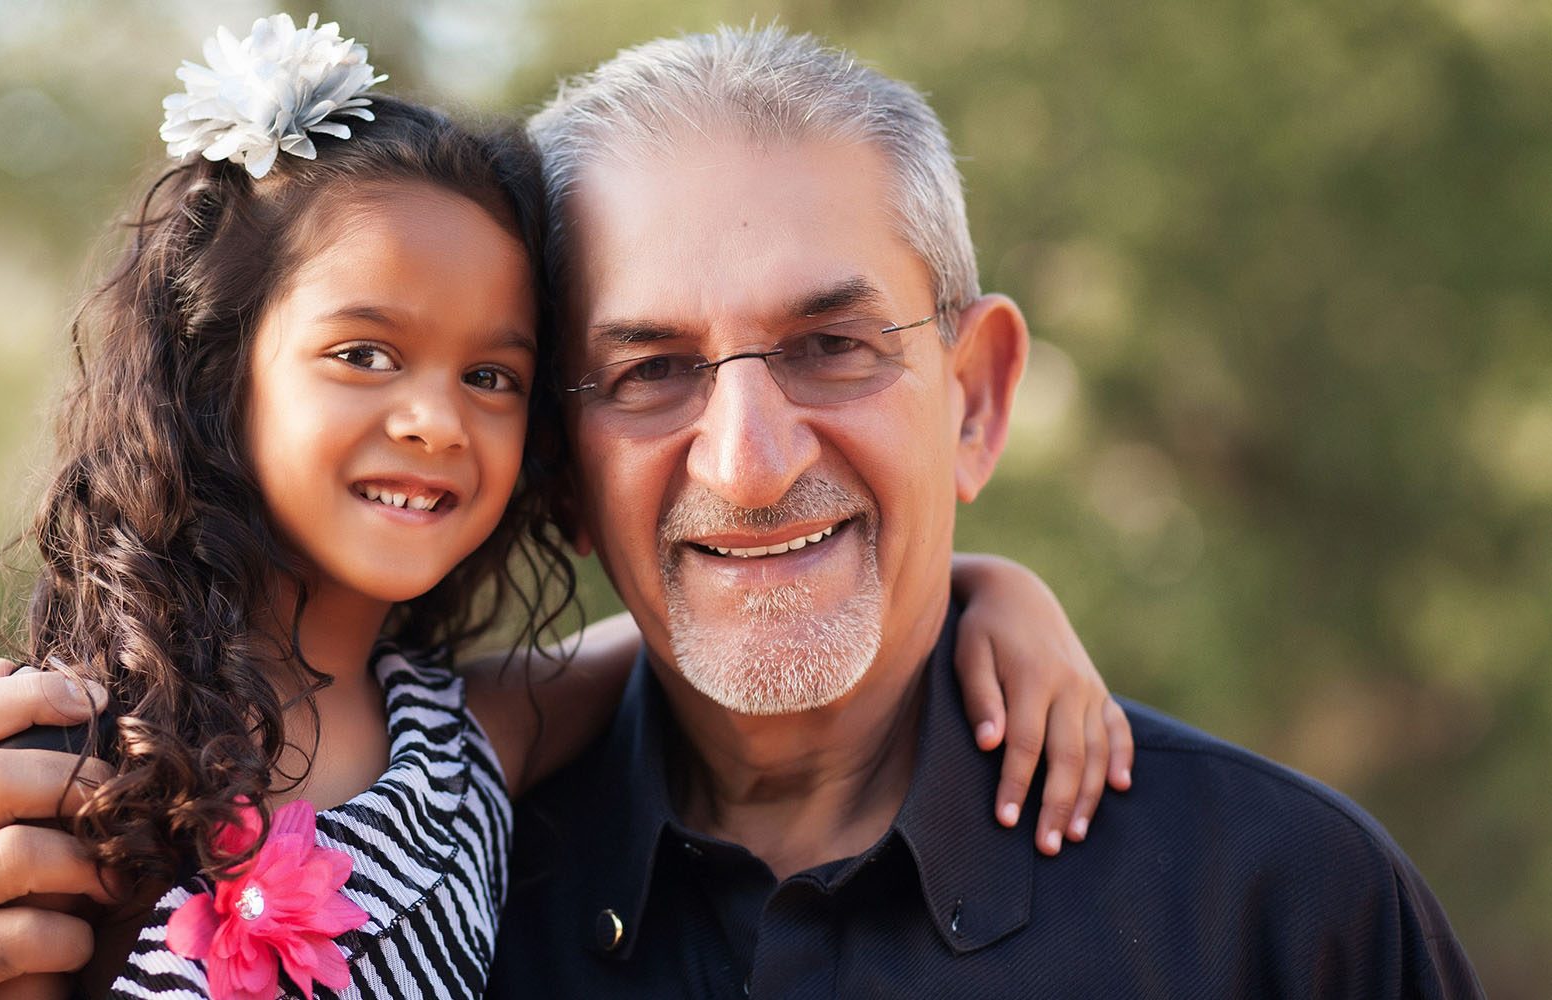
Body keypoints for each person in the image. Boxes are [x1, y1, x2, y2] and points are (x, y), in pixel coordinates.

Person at [0, 16, 1136, 1000]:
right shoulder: (93, 758)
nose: (434, 417)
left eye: (492, 376)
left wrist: (983, 589)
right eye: (364, 353)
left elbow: (735, 606)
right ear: (213, 372)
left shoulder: (465, 741)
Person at [484, 26, 1483, 998]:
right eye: (651, 370)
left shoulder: (1282, 907)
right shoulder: (434, 904)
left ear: (977, 396)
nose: (749, 465)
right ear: (558, 471)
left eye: (831, 345)